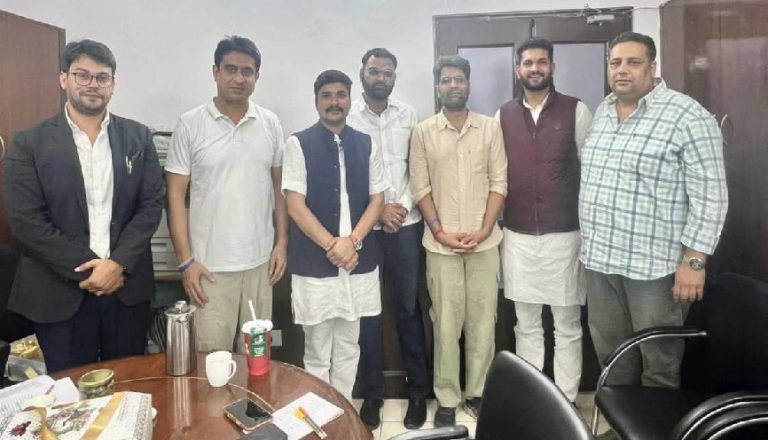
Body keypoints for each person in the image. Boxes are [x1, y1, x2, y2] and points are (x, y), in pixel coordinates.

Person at [3, 39, 164, 372]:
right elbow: (26, 221)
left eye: (102, 77)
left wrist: (118, 264)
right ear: (64, 78)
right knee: (71, 391)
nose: (93, 84)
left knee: (130, 383)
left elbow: (150, 205)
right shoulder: (29, 142)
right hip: (59, 292)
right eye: (83, 75)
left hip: (125, 290)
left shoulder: (138, 137)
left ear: (113, 84)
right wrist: (93, 268)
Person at [580, 32, 728, 388]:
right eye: (615, 63)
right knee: (612, 358)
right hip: (601, 263)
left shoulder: (688, 116)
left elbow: (711, 195)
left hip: (655, 269)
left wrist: (695, 261)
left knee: (659, 363)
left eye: (633, 62)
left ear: (652, 67)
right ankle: (617, 418)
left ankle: (656, 420)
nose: (622, 70)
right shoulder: (603, 112)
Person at [165, 36, 287, 353]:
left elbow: (279, 189)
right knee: (211, 361)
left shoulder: (270, 123)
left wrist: (282, 243)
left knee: (257, 357)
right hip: (209, 269)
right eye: (230, 69)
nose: (239, 78)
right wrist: (186, 262)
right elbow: (175, 196)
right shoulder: (190, 124)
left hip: (260, 266)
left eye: (247, 71)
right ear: (215, 72)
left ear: (257, 76)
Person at [410, 55, 507, 426]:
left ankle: (478, 393)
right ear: (438, 87)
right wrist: (440, 231)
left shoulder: (490, 128)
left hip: (485, 244)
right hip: (441, 246)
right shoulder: (423, 132)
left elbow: (499, 182)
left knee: (483, 323)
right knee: (446, 325)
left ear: (468, 84)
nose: (453, 85)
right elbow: (421, 188)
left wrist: (483, 229)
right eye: (446, 80)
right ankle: (447, 398)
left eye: (459, 79)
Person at [497, 37, 592, 403]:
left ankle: (566, 401)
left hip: (565, 236)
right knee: (526, 324)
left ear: (552, 67)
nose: (534, 68)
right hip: (518, 237)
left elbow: (590, 171)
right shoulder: (503, 115)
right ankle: (532, 402)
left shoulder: (575, 110)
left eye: (541, 62)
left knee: (567, 325)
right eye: (527, 63)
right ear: (518, 69)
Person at [282, 70, 386, 400]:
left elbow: (378, 199)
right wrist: (333, 245)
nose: (334, 102)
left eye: (340, 94)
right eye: (326, 95)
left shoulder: (366, 143)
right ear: (316, 102)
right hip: (316, 263)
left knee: (349, 346)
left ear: (350, 100)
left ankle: (343, 414)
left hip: (357, 261)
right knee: (316, 351)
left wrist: (352, 242)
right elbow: (294, 204)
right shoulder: (298, 143)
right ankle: (321, 418)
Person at [347, 48, 429, 429]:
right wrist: (377, 211)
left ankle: (418, 394)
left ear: (394, 77)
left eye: (387, 73)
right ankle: (372, 394)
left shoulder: (408, 115)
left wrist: (402, 206)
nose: (380, 78)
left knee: (409, 309)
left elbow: (418, 169)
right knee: (367, 313)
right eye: (374, 71)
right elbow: (347, 177)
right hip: (365, 229)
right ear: (362, 74)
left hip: (406, 227)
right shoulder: (348, 118)